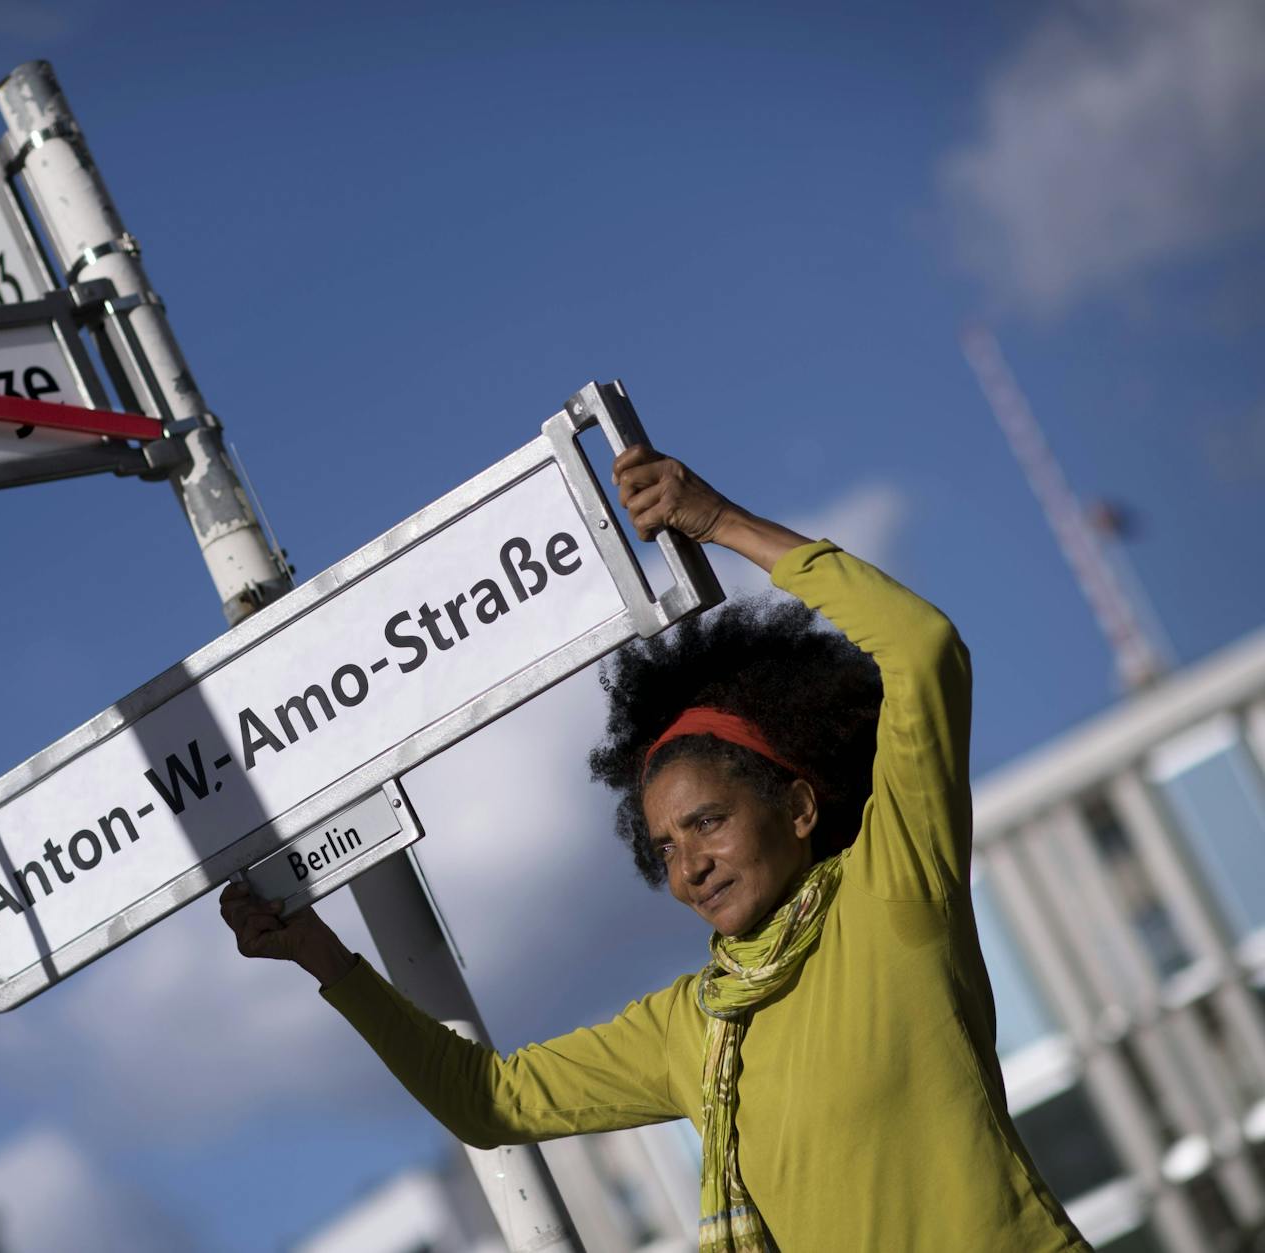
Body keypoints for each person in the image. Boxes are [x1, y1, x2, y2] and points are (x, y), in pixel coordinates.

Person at [219, 446, 1090, 1252]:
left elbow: (922, 648)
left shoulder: (894, 892)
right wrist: (318, 953)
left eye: (708, 821)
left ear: (796, 804)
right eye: (665, 845)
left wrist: (719, 521)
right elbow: (486, 1100)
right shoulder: (690, 1026)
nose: (689, 866)